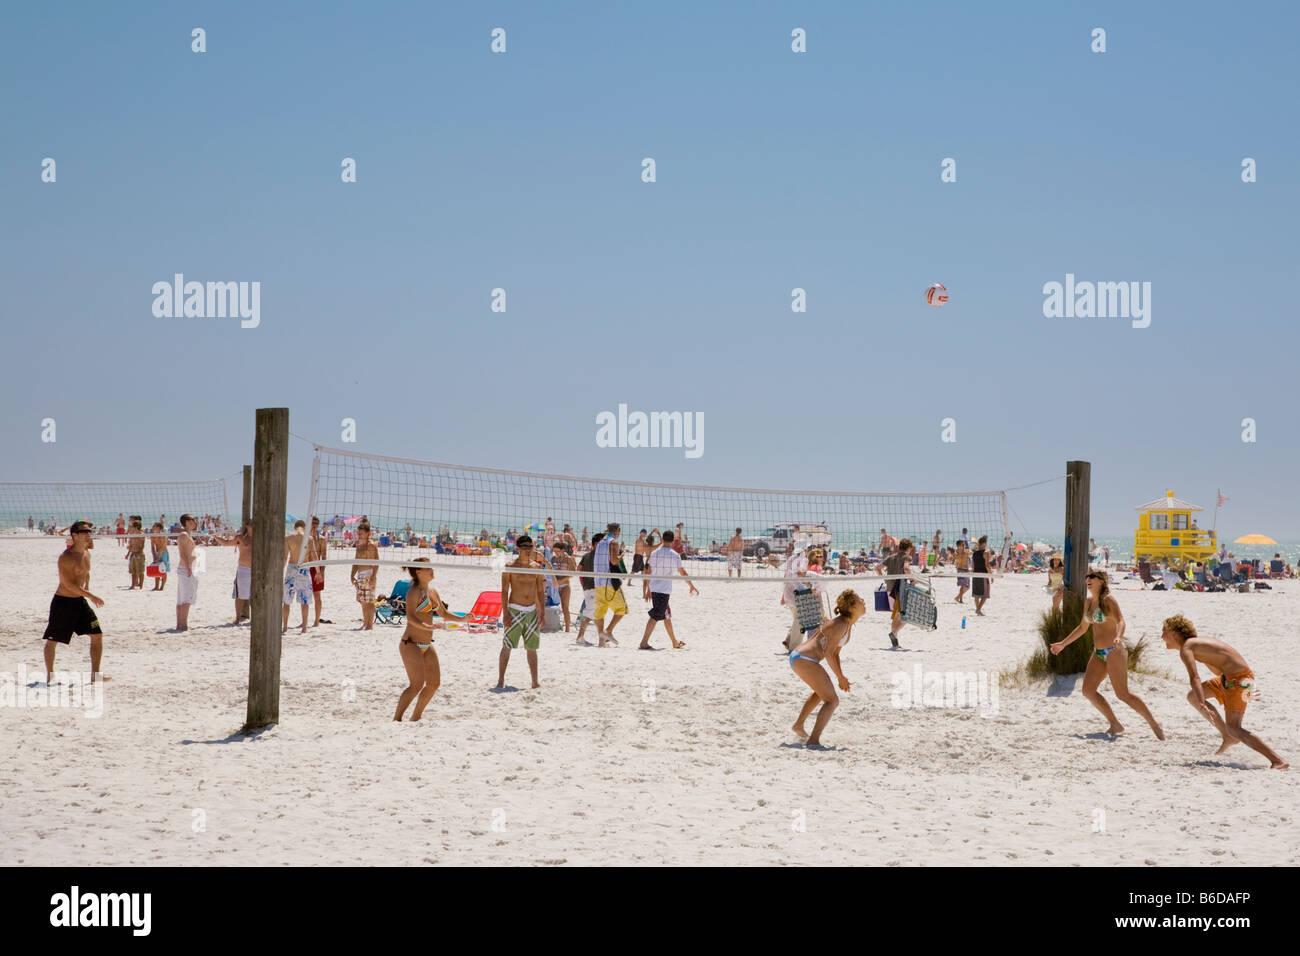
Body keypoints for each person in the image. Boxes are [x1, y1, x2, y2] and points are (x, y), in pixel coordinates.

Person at [1160, 615, 1286, 768]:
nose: (1162, 637)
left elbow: (1195, 677)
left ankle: (1277, 760)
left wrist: (1203, 703)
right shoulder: (1195, 645)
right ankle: (1227, 735)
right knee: (1192, 696)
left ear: (1174, 633)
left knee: (1235, 727)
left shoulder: (1187, 647)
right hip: (1231, 679)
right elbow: (1219, 670)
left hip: (1238, 679)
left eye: (1164, 632)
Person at [1050, 570, 1164, 739]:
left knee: (1123, 694)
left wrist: (1118, 636)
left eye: (1092, 577)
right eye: (1086, 577)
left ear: (1101, 581)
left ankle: (1154, 723)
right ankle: (1115, 724)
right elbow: (1082, 628)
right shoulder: (1089, 602)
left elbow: (1120, 621)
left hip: (1114, 651)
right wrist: (1063, 644)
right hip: (1098, 653)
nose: (1087, 580)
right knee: (1088, 691)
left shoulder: (1108, 600)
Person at [788, 590, 866, 748]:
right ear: (851, 607)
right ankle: (813, 740)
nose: (863, 601)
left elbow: (836, 653)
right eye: (859, 600)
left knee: (822, 692)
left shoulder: (847, 625)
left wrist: (841, 675)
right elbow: (829, 653)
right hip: (804, 659)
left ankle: (798, 725)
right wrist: (840, 678)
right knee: (832, 701)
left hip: (801, 657)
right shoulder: (842, 624)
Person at [43, 520, 107, 683]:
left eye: (89, 532)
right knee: (53, 640)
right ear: (75, 535)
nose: (88, 534)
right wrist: (90, 595)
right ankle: (50, 675)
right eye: (84, 532)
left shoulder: (86, 553)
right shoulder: (66, 557)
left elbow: (84, 573)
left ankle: (95, 675)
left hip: (79, 602)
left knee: (97, 635)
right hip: (63, 603)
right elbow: (67, 584)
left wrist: (86, 589)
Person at [394, 558, 450, 721]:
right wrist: (429, 627)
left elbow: (444, 615)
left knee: (433, 684)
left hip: (427, 644)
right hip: (410, 644)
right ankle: (396, 719)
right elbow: (410, 618)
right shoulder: (413, 592)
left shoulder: (432, 592)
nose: (432, 570)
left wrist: (465, 619)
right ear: (418, 572)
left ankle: (415, 717)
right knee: (416, 685)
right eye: (428, 568)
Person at [499, 535, 544, 689]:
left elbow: (540, 590)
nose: (527, 549)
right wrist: (505, 613)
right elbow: (504, 591)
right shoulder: (510, 566)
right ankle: (500, 680)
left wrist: (542, 612)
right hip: (514, 610)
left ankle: (535, 682)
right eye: (524, 546)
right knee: (507, 646)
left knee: (532, 648)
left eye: (529, 546)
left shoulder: (536, 567)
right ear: (517, 548)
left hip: (531, 611)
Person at [641, 530, 698, 649]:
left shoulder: (655, 552)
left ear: (662, 540)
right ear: (672, 541)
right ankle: (644, 642)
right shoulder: (674, 555)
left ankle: (674, 642)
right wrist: (691, 585)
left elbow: (649, 571)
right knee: (656, 615)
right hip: (663, 590)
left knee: (666, 615)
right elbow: (682, 572)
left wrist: (648, 589)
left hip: (656, 588)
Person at [591, 523, 627, 643]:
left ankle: (601, 642)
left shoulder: (600, 542)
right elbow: (613, 560)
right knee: (622, 609)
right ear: (618, 531)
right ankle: (609, 631)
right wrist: (622, 555)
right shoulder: (613, 542)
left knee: (600, 613)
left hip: (598, 582)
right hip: (609, 582)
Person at [878, 538, 916, 648]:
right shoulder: (907, 557)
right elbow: (906, 569)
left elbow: (877, 568)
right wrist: (913, 580)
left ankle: (895, 641)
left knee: (896, 615)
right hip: (900, 589)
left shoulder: (891, 557)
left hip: (890, 588)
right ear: (908, 548)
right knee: (908, 615)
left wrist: (884, 579)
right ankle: (894, 633)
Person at [214, 521, 253, 622]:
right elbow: (226, 543)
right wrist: (215, 537)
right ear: (248, 526)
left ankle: (255, 617)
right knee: (239, 595)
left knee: (255, 594)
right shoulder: (241, 538)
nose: (254, 527)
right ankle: (238, 617)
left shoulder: (261, 538)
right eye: (252, 524)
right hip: (243, 569)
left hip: (256, 570)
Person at [575, 532, 608, 646]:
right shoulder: (599, 556)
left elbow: (578, 570)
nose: (605, 545)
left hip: (588, 587)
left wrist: (584, 582)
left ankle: (597, 639)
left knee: (593, 613)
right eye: (602, 542)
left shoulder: (586, 556)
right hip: (595, 587)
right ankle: (599, 641)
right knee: (593, 614)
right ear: (595, 544)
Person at [283, 519, 312, 635]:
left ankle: (285, 627)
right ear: (304, 528)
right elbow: (314, 556)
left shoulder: (288, 537)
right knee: (304, 601)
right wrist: (319, 572)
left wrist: (282, 569)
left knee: (286, 601)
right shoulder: (309, 538)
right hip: (304, 568)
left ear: (295, 527)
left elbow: (285, 557)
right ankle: (304, 628)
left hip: (291, 568)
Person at [351, 520, 380, 630]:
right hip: (360, 575)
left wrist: (373, 577)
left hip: (369, 574)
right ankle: (365, 622)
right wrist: (352, 575)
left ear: (368, 533)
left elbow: (377, 562)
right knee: (362, 600)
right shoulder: (358, 545)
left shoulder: (372, 545)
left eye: (361, 533)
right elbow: (356, 562)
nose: (359, 535)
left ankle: (370, 624)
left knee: (370, 601)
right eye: (358, 533)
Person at [174, 514, 200, 632]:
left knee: (182, 598)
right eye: (193, 520)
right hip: (186, 569)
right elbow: (182, 553)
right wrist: (188, 568)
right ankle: (183, 625)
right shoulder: (184, 535)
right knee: (186, 599)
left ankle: (180, 625)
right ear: (188, 521)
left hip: (186, 568)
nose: (195, 522)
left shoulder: (188, 535)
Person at [308, 516, 330, 626]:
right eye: (313, 522)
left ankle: (316, 621)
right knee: (305, 596)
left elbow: (324, 557)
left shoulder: (321, 539)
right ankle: (304, 621)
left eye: (316, 523)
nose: (314, 524)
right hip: (306, 568)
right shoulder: (305, 538)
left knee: (317, 596)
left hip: (317, 569)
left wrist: (321, 572)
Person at [551, 541, 577, 631]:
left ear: (563, 550)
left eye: (557, 551)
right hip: (554, 586)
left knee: (565, 608)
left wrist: (561, 581)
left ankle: (567, 629)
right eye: (554, 551)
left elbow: (573, 573)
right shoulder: (553, 558)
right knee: (551, 605)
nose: (556, 553)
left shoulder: (568, 559)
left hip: (565, 585)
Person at [971, 535, 991, 615]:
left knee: (976, 594)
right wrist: (991, 575)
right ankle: (978, 609)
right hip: (983, 575)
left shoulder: (974, 553)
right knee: (985, 595)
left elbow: (972, 566)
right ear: (984, 543)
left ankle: (978, 610)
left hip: (975, 574)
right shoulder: (986, 552)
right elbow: (987, 565)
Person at [125, 516, 146, 589]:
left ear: (136, 527)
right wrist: (128, 554)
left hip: (139, 553)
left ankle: (141, 585)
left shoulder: (141, 534)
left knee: (140, 571)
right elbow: (131, 545)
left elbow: (143, 545)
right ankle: (133, 585)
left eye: (133, 526)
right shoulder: (132, 534)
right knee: (132, 571)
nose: (131, 528)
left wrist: (138, 553)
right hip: (133, 553)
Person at [149, 522, 170, 591]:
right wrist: (154, 556)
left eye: (154, 526)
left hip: (163, 553)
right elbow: (152, 547)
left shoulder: (163, 536)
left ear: (158, 527)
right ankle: (156, 586)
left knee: (163, 570)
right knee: (156, 569)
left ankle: (162, 587)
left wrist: (158, 558)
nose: (153, 527)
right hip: (157, 552)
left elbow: (163, 547)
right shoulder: (153, 536)